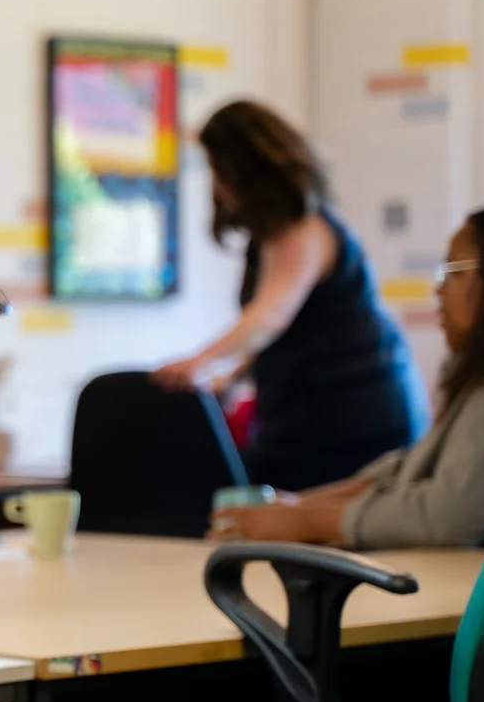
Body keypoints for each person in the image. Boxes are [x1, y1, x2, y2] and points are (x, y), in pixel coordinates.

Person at [211, 198, 484, 548]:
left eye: (452, 272)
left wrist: (305, 521)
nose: (438, 289)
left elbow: (444, 515)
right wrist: (297, 508)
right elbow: (410, 469)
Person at [153, 100, 429, 490]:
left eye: (219, 171)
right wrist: (231, 376)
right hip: (305, 417)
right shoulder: (268, 237)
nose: (216, 186)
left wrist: (201, 360)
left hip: (355, 419)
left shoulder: (306, 230)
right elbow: (281, 333)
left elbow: (271, 315)